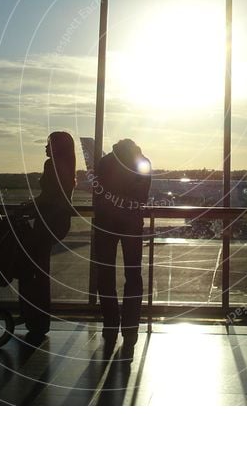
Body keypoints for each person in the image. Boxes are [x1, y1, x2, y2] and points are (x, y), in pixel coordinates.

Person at [93, 139, 151, 359]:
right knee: (133, 276)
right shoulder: (142, 162)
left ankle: (110, 325)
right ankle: (130, 330)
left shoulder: (106, 162)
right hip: (131, 224)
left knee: (105, 274)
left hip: (105, 223)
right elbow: (142, 196)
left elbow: (99, 192)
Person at [18, 131, 76, 344]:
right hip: (60, 221)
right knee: (41, 269)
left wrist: (29, 206)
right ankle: (39, 319)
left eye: (49, 143)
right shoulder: (67, 165)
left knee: (34, 269)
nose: (45, 147)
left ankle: (34, 316)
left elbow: (48, 196)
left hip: (48, 221)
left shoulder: (52, 165)